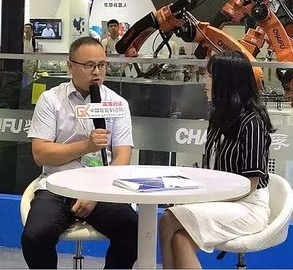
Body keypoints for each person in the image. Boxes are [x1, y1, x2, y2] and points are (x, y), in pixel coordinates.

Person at [21, 36, 138, 269]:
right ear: (70, 66)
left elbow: (122, 157)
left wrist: (97, 193)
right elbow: (40, 154)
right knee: (35, 236)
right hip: (56, 186)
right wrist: (86, 146)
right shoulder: (50, 100)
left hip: (102, 188)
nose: (97, 72)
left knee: (134, 231)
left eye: (101, 65)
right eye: (89, 65)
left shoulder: (117, 103)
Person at [159, 51, 273, 269]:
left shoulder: (252, 122)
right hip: (223, 201)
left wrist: (207, 200)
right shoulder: (218, 118)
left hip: (248, 206)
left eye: (210, 76)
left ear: (226, 82)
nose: (204, 82)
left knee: (168, 219)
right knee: (180, 238)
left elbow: (251, 183)